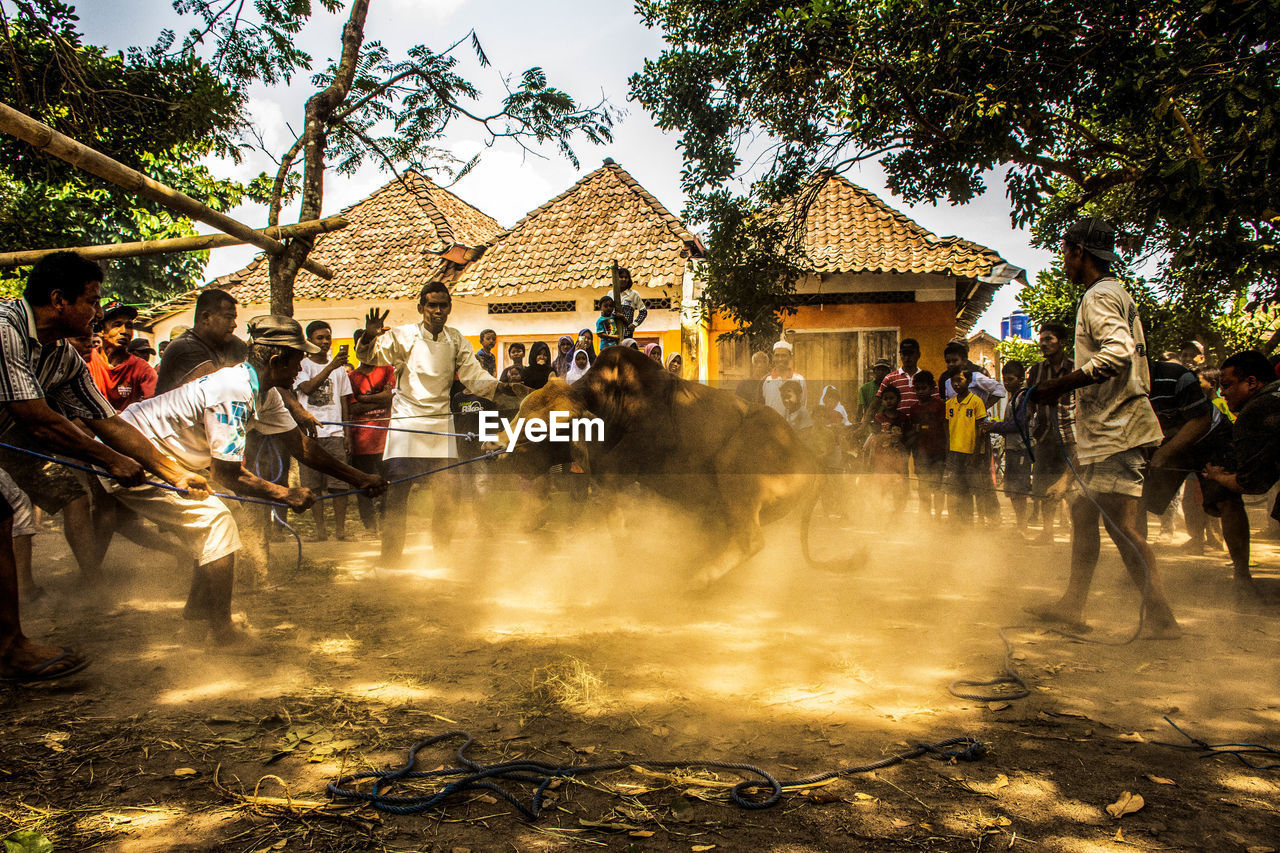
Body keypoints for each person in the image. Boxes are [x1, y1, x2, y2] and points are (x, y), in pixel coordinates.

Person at [0, 252, 210, 680]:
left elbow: (109, 422)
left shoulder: (62, 355)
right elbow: (35, 418)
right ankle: (9, 648)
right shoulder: (4, 330)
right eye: (93, 301)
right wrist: (109, 460)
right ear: (59, 300)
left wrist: (173, 473)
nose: (99, 311)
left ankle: (8, 645)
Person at [115, 316, 386, 645]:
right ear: (276, 361)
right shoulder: (234, 392)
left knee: (214, 534)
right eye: (298, 360)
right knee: (218, 526)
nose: (301, 369)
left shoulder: (266, 392)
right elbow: (226, 475)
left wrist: (360, 478)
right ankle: (223, 633)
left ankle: (194, 625)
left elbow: (302, 446)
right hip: (132, 455)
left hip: (171, 460)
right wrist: (285, 494)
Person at [1027, 218, 1178, 638]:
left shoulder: (1098, 296)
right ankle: (1072, 606)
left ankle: (1163, 619)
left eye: (1065, 251)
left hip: (1118, 428)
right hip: (1106, 429)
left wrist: (1060, 383)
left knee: (1122, 527)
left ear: (1079, 251)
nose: (1063, 260)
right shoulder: (1116, 293)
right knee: (1081, 512)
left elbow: (1117, 354)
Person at [356, 282, 526, 562]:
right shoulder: (402, 336)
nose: (437, 310)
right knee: (397, 494)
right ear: (421, 307)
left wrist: (503, 390)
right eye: (431, 305)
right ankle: (390, 559)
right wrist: (368, 337)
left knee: (448, 493)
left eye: (443, 305)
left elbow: (473, 376)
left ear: (449, 308)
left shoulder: (456, 339)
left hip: (440, 425)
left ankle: (442, 558)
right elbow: (369, 356)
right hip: (406, 423)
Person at [1143, 356, 1243, 571]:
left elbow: (1201, 420)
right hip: (1166, 442)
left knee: (1227, 500)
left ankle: (1242, 573)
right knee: (1137, 499)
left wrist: (1164, 454)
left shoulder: (1176, 376)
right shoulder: (1118, 382)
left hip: (1210, 438)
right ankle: (1139, 569)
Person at [1204, 350, 1280, 598]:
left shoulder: (1255, 411)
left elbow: (1249, 484)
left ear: (1252, 382)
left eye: (1226, 385)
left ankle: (1243, 583)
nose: (1223, 393)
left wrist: (1216, 476)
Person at [294, 321, 355, 541]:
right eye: (319, 338)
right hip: (309, 434)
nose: (325, 342)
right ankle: (320, 531)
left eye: (328, 337)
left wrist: (346, 433)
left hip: (335, 433)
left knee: (339, 484)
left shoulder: (340, 370)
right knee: (312, 485)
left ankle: (340, 530)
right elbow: (307, 388)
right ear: (309, 340)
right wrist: (330, 367)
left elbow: (344, 401)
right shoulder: (301, 366)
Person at [1027, 323, 1077, 544]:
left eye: (1049, 339)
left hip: (1071, 434)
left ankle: (1077, 532)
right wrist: (1027, 421)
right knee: (1044, 484)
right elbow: (1030, 400)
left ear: (1062, 342)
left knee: (1073, 485)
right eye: (1042, 339)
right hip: (1045, 434)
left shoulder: (1077, 368)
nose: (1044, 343)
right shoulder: (1036, 370)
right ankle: (1048, 531)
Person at [346, 335, 395, 536]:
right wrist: (379, 399)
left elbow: (389, 398)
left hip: (386, 440)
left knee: (388, 484)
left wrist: (365, 398)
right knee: (363, 485)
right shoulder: (351, 377)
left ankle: (387, 524)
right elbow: (353, 408)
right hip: (361, 440)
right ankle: (370, 527)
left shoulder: (387, 369)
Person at [155, 290, 247, 394]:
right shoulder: (185, 347)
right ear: (206, 317)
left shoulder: (231, 343)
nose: (234, 324)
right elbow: (218, 393)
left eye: (234, 318)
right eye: (228, 318)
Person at [88, 300, 158, 412]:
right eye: (117, 325)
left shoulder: (142, 369)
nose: (124, 331)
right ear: (101, 330)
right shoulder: (86, 361)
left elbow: (155, 406)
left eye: (129, 326)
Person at [989, 360, 1031, 533]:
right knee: (1012, 489)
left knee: (1019, 490)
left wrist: (994, 426)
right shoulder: (1013, 397)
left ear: (1020, 380)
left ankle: (1022, 524)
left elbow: (1018, 425)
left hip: (1021, 449)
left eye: (1010, 379)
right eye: (1004, 380)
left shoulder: (1023, 397)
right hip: (1012, 449)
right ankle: (1020, 523)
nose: (1006, 383)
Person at [944, 368, 989, 523]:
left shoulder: (976, 402)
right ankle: (959, 520)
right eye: (953, 381)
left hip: (972, 453)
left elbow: (980, 430)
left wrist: (976, 454)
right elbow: (947, 428)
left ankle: (981, 519)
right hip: (954, 452)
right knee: (955, 488)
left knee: (976, 488)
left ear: (968, 381)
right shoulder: (949, 404)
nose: (956, 384)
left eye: (960, 380)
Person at [906, 370, 947, 519]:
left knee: (937, 487)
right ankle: (926, 515)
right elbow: (913, 433)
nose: (920, 391)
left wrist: (946, 451)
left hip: (938, 453)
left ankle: (937, 515)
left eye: (924, 388)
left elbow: (945, 428)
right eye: (917, 389)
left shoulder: (939, 406)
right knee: (923, 486)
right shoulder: (914, 409)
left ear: (932, 388)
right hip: (921, 454)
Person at [868, 338, 921, 421]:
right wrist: (864, 425)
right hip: (897, 428)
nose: (907, 357)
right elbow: (875, 405)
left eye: (911, 354)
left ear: (918, 355)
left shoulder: (925, 378)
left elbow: (935, 404)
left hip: (920, 427)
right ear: (901, 355)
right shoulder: (889, 378)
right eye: (904, 354)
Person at [762, 340, 805, 415]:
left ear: (790, 357)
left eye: (784, 355)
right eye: (777, 355)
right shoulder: (766, 380)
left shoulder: (799, 379)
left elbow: (803, 404)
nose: (780, 359)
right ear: (773, 357)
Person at [614, 267, 648, 336]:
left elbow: (643, 311)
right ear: (616, 278)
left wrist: (634, 324)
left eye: (626, 277)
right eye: (621, 277)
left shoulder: (633, 294)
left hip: (627, 334)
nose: (624, 279)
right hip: (613, 334)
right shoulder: (611, 293)